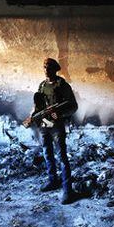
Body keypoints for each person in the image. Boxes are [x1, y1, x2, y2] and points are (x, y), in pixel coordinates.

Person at [23, 58, 78, 204]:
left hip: (56, 125)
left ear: (55, 69)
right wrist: (31, 117)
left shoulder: (62, 85)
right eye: (44, 66)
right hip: (44, 123)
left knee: (62, 156)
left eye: (49, 66)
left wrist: (59, 114)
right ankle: (53, 180)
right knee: (47, 152)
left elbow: (73, 106)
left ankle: (68, 190)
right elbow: (37, 105)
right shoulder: (42, 85)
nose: (46, 69)